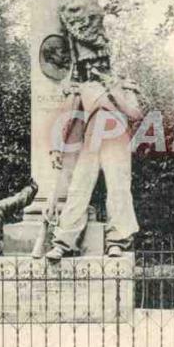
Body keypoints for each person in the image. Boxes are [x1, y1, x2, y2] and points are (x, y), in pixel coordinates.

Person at [45, 70, 142, 262]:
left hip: (117, 139)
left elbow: (135, 113)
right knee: (78, 188)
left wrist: (114, 88)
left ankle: (116, 242)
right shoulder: (83, 87)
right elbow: (66, 117)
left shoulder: (124, 85)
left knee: (119, 189)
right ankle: (63, 242)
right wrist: (56, 148)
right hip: (91, 139)